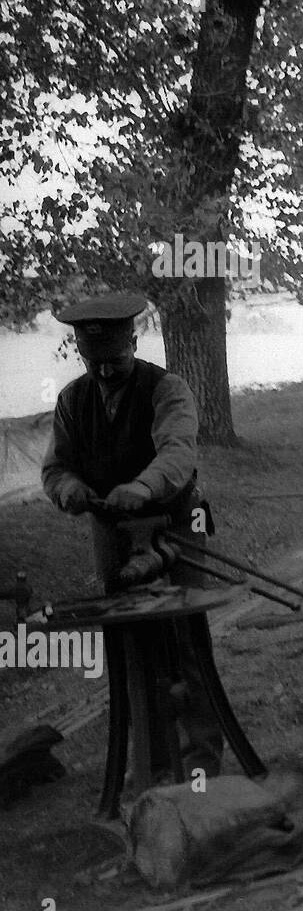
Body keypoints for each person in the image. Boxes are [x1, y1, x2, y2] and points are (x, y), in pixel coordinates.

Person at [41, 292, 223, 778]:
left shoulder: (168, 390)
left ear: (135, 343)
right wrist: (69, 489)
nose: (103, 371)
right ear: (81, 351)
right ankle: (148, 753)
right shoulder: (71, 400)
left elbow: (178, 454)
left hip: (176, 526)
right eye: (92, 360)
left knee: (186, 639)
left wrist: (143, 487)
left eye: (114, 360)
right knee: (128, 643)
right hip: (113, 533)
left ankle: (201, 753)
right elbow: (55, 468)